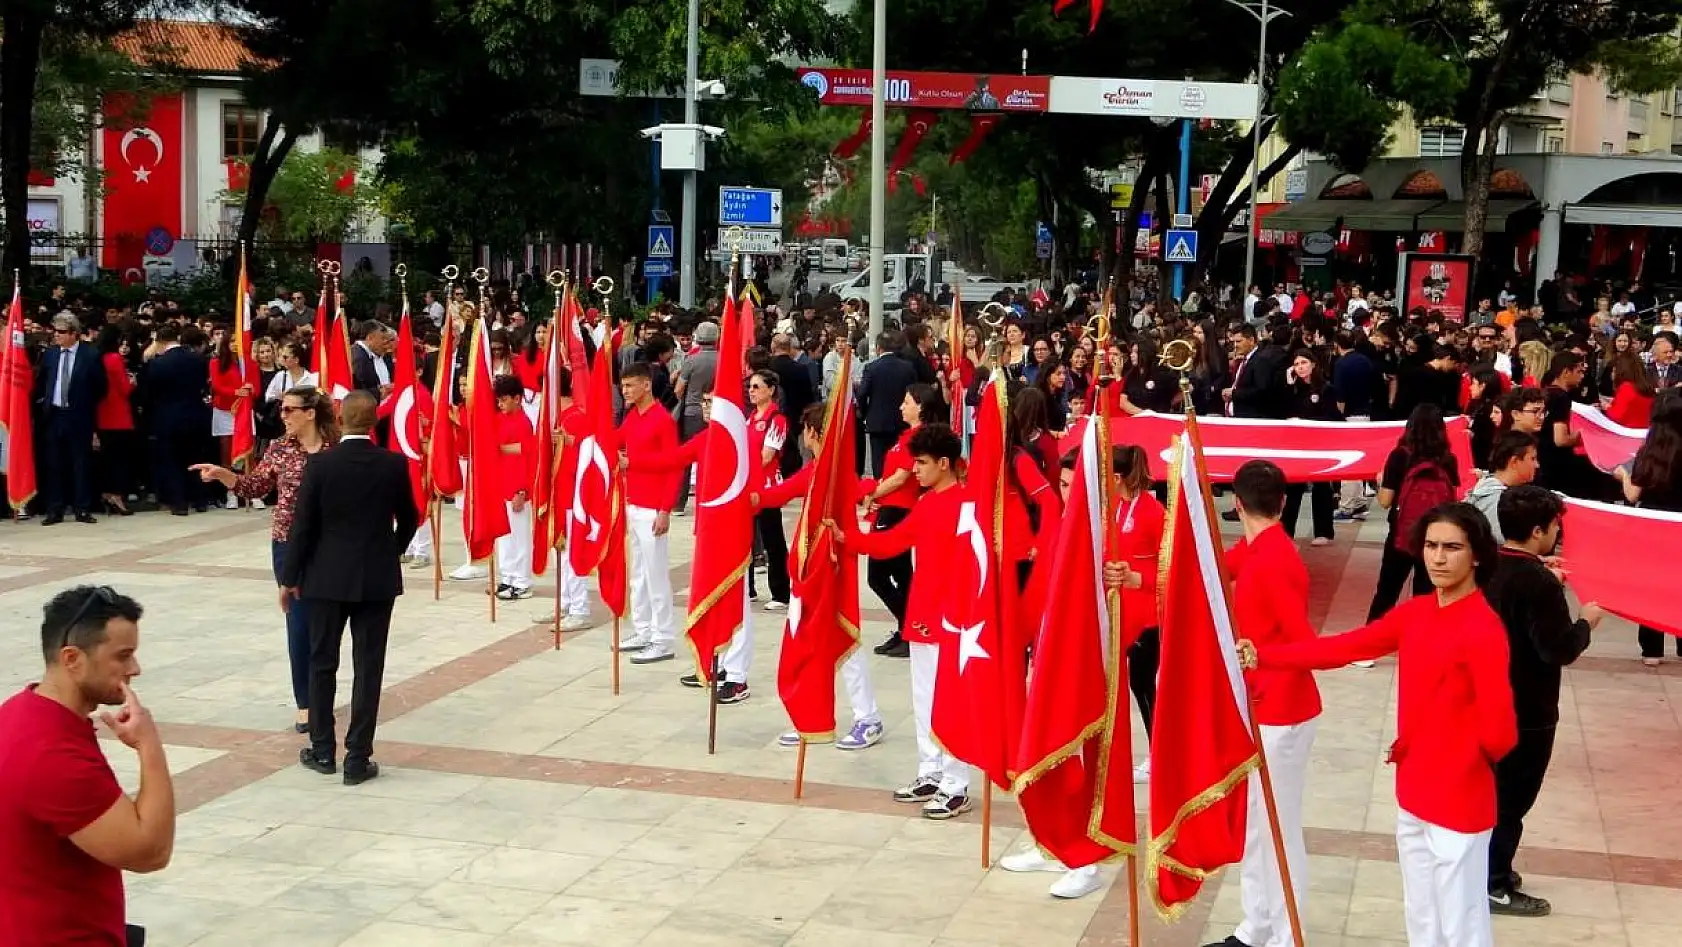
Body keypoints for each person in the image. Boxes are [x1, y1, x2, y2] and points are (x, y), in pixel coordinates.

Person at [1240, 503, 1517, 947]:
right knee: (1422, 916)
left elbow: (1502, 732)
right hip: (1413, 791)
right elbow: (1345, 647)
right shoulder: (1417, 613)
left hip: (1459, 797)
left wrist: (1460, 758)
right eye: (1431, 546)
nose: (1439, 558)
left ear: (1477, 555)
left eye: (1452, 548)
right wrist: (1267, 655)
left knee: (1461, 925)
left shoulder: (1483, 628)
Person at [0, 586, 173, 944]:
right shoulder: (52, 754)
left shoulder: (20, 712)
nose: (135, 669)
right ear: (72, 659)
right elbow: (149, 851)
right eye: (122, 656)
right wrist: (149, 746)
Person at [833, 424, 972, 819]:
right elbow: (891, 543)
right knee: (924, 698)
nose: (915, 470)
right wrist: (848, 538)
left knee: (950, 703)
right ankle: (930, 770)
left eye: (923, 463)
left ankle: (955, 783)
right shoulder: (927, 504)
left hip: (954, 620)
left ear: (945, 464)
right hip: (923, 615)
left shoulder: (968, 506)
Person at [282, 390, 420, 784]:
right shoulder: (392, 464)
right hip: (375, 578)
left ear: (340, 420)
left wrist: (290, 578)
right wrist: (391, 552)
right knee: (368, 666)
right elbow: (409, 517)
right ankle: (358, 757)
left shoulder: (321, 465)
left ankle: (323, 750)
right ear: (374, 422)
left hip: (325, 578)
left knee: (322, 662)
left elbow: (303, 526)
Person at [1213, 460, 1321, 947]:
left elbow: (1303, 643)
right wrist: (1138, 578)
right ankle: (1256, 927)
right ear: (1282, 502)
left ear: (1237, 503)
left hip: (1282, 709)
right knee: (1258, 825)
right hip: (1262, 706)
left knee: (1277, 826)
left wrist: (1261, 655)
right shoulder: (1256, 548)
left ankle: (1282, 934)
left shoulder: (1275, 560)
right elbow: (1210, 569)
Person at [193, 385, 339, 734]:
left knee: (328, 625)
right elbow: (255, 487)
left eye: (290, 410)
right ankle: (306, 702)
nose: (283, 416)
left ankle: (324, 694)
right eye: (282, 409)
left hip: (331, 545)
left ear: (310, 413)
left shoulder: (335, 451)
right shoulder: (278, 449)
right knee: (300, 623)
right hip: (289, 545)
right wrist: (224, 475)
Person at [1483, 486, 1599, 917]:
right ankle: (1494, 883)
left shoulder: (1486, 566)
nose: (1557, 534)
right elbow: (1557, 649)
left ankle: (1490, 869)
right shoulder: (1538, 584)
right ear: (1538, 531)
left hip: (1486, 698)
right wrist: (1586, 622)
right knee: (1512, 800)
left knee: (1493, 794)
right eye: (1555, 527)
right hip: (1527, 709)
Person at [757, 402, 885, 749]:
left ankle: (868, 717)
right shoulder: (814, 470)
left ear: (814, 433)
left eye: (805, 430)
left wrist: (872, 489)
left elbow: (861, 487)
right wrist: (741, 497)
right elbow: (776, 495)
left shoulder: (834, 474)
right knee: (810, 645)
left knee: (844, 640)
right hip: (807, 574)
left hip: (832, 573)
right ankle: (809, 716)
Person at [858, 384, 944, 657]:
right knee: (901, 575)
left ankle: (909, 627)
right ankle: (905, 628)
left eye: (906, 402)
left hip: (898, 509)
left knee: (880, 576)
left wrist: (872, 494)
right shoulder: (905, 435)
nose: (901, 407)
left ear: (920, 406)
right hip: (890, 507)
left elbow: (901, 476)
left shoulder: (917, 438)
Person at [1368, 405, 1460, 621]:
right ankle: (1422, 642)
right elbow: (1451, 499)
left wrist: (1381, 481)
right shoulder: (1448, 459)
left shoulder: (1399, 456)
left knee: (1387, 592)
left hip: (1401, 534)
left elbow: (1385, 501)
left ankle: (1369, 642)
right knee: (1426, 595)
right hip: (1434, 537)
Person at [617, 362, 681, 665]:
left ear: (646, 385)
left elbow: (673, 466)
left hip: (653, 506)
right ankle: (642, 629)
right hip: (634, 503)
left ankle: (663, 637)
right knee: (639, 575)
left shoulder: (662, 420)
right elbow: (616, 440)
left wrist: (665, 510)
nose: (625, 391)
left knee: (656, 576)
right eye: (623, 385)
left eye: (630, 385)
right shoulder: (633, 416)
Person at [1614, 388, 1682, 665]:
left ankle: (1652, 650)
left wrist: (1622, 474)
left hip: (1652, 528)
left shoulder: (1650, 451)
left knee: (1652, 587)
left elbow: (1633, 494)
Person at [35, 312, 107, 524]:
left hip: (79, 415)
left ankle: (82, 507)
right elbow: (43, 381)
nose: (57, 336)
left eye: (62, 332)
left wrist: (85, 404)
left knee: (80, 463)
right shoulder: (50, 354)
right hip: (55, 414)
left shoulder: (90, 355)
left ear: (74, 334)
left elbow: (101, 387)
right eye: (55, 332)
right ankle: (55, 508)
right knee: (54, 463)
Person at [140, 323, 211, 515]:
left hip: (168, 417)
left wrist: (146, 359)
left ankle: (179, 503)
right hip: (196, 414)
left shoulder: (158, 363)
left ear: (159, 341)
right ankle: (200, 499)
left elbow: (149, 392)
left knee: (172, 460)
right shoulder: (197, 359)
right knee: (195, 457)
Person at [1282, 349, 1340, 545]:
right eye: (1296, 364)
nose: (1300, 367)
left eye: (1304, 362)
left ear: (1313, 364)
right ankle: (1286, 531)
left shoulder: (1326, 389)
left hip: (1320, 444)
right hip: (1297, 445)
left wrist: (1304, 421)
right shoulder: (1294, 390)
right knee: (1293, 488)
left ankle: (1323, 532)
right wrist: (1288, 387)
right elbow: (1285, 411)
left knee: (1321, 486)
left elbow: (1333, 418)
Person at [490, 374, 538, 600]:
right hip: (500, 483)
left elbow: (527, 457)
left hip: (517, 486)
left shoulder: (524, 422)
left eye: (504, 399)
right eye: (498, 400)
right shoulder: (498, 419)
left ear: (517, 398)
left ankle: (522, 581)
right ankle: (507, 576)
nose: (500, 404)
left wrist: (522, 490)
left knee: (519, 537)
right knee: (504, 536)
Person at [672, 320, 719, 515]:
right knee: (713, 459)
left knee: (685, 459)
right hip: (716, 414)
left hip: (692, 413)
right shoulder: (724, 360)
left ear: (698, 338)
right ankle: (712, 498)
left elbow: (678, 389)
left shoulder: (691, 360)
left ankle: (678, 503)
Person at [93, 324, 137, 516]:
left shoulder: (96, 357)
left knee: (106, 459)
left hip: (101, 415)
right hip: (118, 416)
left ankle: (105, 493)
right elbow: (124, 389)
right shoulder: (114, 359)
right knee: (120, 459)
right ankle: (116, 496)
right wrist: (133, 382)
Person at [1465, 432, 1539, 543]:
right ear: (1514, 462)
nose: (1537, 465)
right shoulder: (1496, 500)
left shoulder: (1490, 487)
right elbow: (1501, 548)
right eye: (1532, 459)